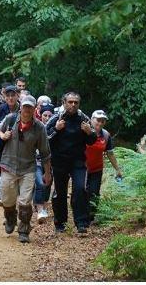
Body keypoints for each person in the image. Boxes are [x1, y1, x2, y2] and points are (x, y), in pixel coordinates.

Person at [0, 95, 52, 243]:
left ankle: (24, 229)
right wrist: (3, 135)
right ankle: (10, 218)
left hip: (28, 167)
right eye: (25, 106)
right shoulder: (10, 119)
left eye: (30, 107)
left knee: (25, 201)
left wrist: (47, 173)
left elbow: (45, 152)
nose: (27, 110)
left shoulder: (39, 127)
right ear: (21, 107)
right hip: (8, 165)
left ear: (34, 109)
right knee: (7, 199)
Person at [45, 91, 97, 234]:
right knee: (60, 192)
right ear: (64, 103)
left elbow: (93, 140)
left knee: (80, 189)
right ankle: (60, 223)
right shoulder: (56, 118)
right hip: (59, 161)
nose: (73, 105)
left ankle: (81, 223)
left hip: (78, 161)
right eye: (70, 102)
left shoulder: (84, 118)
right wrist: (56, 129)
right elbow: (45, 139)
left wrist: (89, 132)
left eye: (76, 102)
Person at [85, 110, 122, 225]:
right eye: (98, 120)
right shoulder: (84, 131)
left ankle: (90, 217)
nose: (100, 123)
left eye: (103, 121)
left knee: (94, 193)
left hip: (97, 168)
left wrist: (117, 169)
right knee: (81, 191)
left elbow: (110, 153)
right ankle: (80, 215)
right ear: (91, 120)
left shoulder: (105, 135)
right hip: (82, 168)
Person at [34, 103, 55, 223]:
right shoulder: (36, 126)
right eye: (45, 115)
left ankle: (41, 204)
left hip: (50, 161)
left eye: (49, 115)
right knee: (39, 183)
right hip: (35, 160)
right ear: (40, 115)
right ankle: (40, 208)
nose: (47, 118)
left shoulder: (56, 128)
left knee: (47, 184)